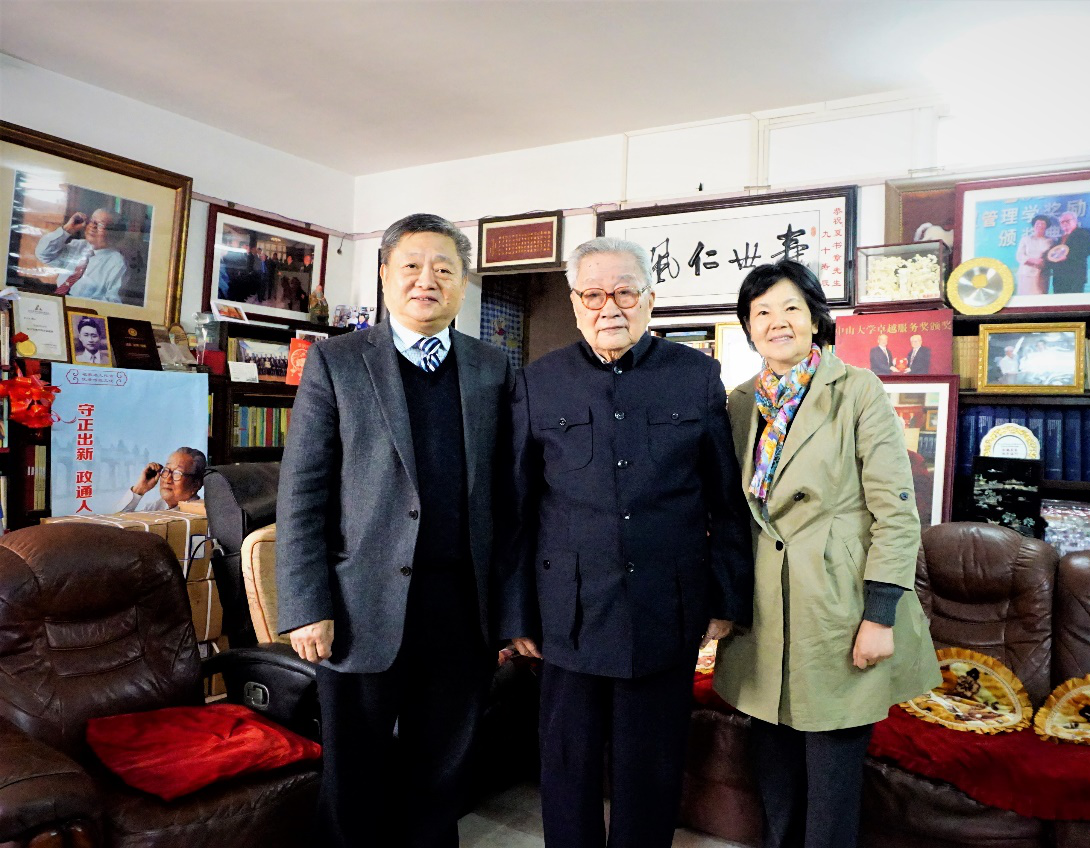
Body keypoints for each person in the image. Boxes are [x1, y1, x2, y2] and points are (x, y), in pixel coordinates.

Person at [500, 236, 753, 848]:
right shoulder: (539, 381)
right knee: (568, 766)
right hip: (568, 612)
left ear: (650, 298)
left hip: (666, 606)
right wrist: (515, 613)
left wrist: (725, 599)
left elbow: (725, 500)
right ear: (574, 302)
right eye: (593, 294)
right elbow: (516, 508)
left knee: (652, 769)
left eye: (624, 292)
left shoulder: (696, 375)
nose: (609, 307)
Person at [275, 213, 513, 848]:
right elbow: (301, 494)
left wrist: (509, 612)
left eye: (444, 269)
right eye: (411, 266)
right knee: (353, 775)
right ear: (384, 275)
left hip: (460, 608)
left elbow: (508, 496)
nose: (425, 280)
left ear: (463, 283)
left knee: (442, 775)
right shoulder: (337, 362)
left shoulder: (493, 367)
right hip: (359, 606)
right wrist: (306, 606)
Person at [713, 260, 939, 848]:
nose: (777, 321)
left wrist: (880, 614)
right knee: (774, 766)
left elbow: (896, 510)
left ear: (815, 318)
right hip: (764, 612)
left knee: (831, 777)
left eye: (790, 308)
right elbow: (729, 512)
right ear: (748, 328)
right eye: (761, 312)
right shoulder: (741, 402)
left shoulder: (858, 390)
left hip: (839, 607)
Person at [34, 208, 129, 302]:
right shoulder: (78, 245)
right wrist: (68, 229)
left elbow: (113, 301)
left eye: (100, 224)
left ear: (114, 233)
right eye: (92, 221)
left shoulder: (117, 263)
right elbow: (43, 253)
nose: (92, 226)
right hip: (57, 298)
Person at [115, 447, 207, 512]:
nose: (168, 479)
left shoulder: (200, 514)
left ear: (195, 485)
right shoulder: (155, 508)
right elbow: (116, 524)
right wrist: (139, 489)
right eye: (166, 470)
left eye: (177, 473)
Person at [1046, 211, 1090, 294]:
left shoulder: (1083, 232)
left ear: (1075, 221)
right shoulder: (1059, 239)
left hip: (1075, 276)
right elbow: (1052, 255)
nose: (1065, 224)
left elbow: (1089, 249)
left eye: (1067, 221)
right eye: (1062, 222)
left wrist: (1068, 256)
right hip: (1059, 278)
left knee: (1074, 301)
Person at [1015, 214, 1053, 296]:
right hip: (1026, 274)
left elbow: (1051, 256)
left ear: (1046, 226)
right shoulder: (1025, 239)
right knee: (1025, 299)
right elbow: (1019, 256)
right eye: (1037, 223)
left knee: (1040, 299)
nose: (1040, 225)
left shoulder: (1050, 241)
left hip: (1042, 275)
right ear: (1034, 225)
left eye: (1043, 224)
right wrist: (1034, 261)